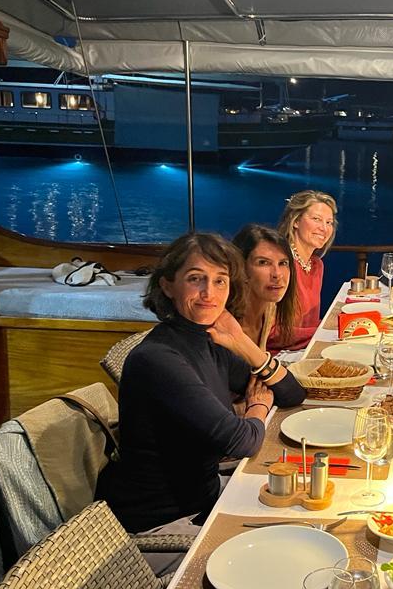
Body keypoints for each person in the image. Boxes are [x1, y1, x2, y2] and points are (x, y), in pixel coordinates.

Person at [96, 233, 305, 534]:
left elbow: (292, 394)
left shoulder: (208, 338)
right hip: (161, 523)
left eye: (220, 281)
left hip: (206, 498)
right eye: (196, 279)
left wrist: (242, 343)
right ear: (167, 285)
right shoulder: (158, 359)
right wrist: (257, 407)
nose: (209, 292)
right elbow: (241, 441)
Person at [277, 190, 337, 350]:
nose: (324, 228)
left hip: (306, 348)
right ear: (296, 220)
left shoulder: (316, 265)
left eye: (329, 222)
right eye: (316, 219)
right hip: (278, 357)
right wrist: (328, 333)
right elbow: (270, 333)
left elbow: (307, 325)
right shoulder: (280, 264)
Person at [231, 223, 297, 352]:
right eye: (263, 263)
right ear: (241, 268)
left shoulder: (269, 308)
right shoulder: (226, 322)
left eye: (283, 263)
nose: (277, 274)